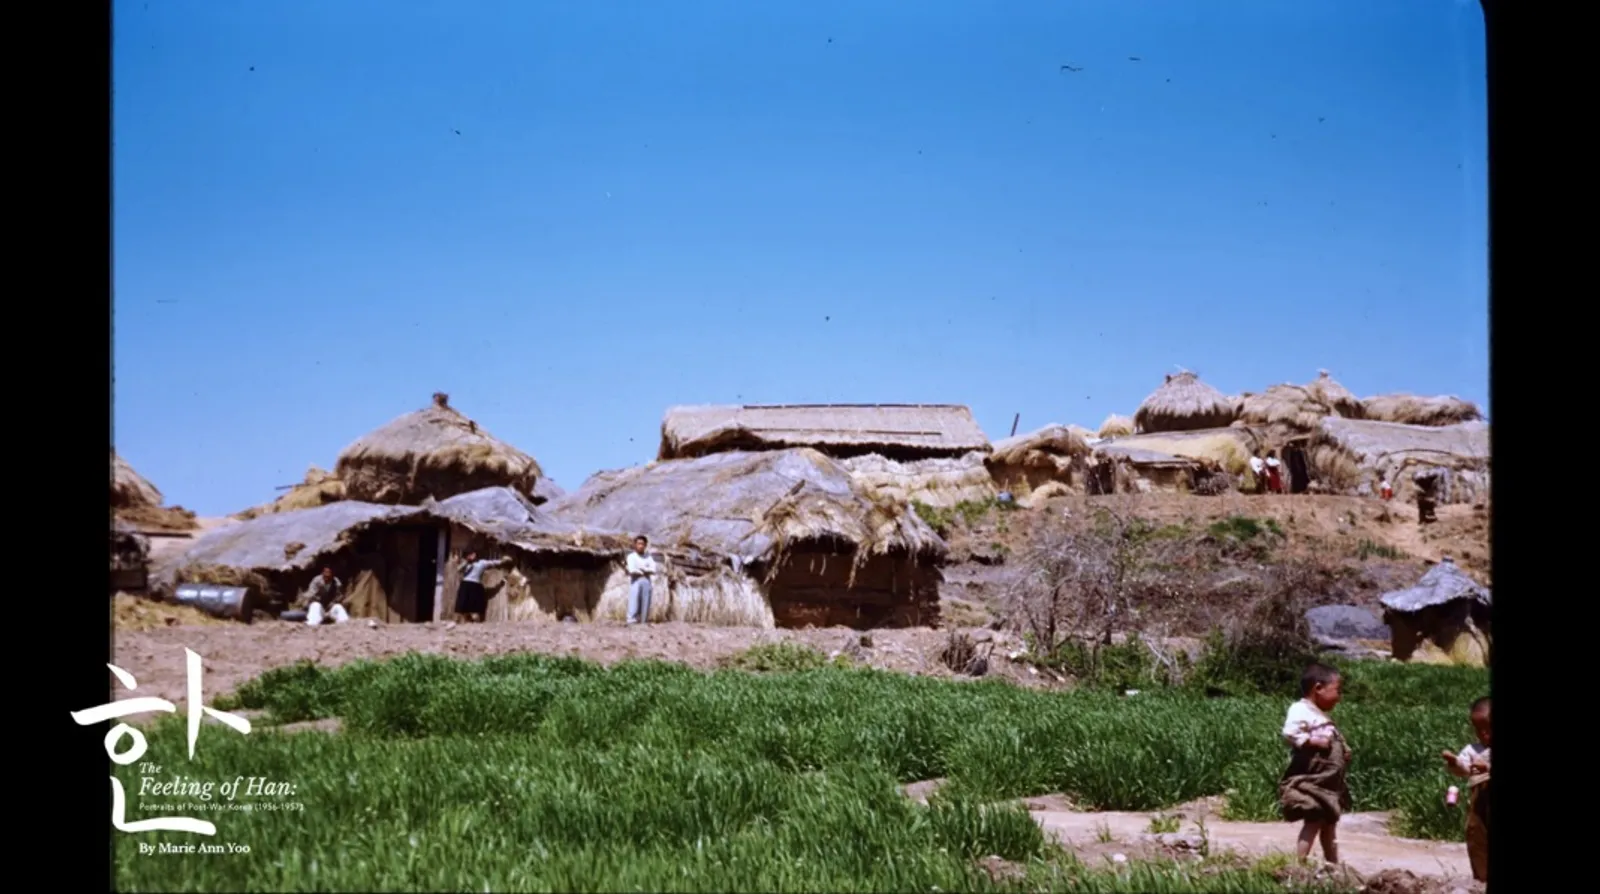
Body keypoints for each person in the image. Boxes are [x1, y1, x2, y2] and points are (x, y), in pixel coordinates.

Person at [1280, 662, 1352, 865]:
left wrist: (1344, 750)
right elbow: (1289, 732)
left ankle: (1333, 863)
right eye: (1337, 690)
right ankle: (1299, 863)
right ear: (1318, 688)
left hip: (1329, 783)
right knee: (1313, 818)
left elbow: (1333, 739)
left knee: (1329, 822)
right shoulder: (1300, 709)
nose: (1339, 696)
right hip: (1314, 779)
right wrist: (1311, 741)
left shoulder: (1320, 716)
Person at [1442, 696, 1490, 882]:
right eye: (1479, 730)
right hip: (1479, 799)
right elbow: (1463, 768)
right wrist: (1455, 762)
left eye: (1488, 728)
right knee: (1476, 835)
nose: (1484, 734)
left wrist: (1488, 768)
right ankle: (1481, 878)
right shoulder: (1473, 749)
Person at [456, 550, 509, 623]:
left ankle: (475, 621)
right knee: (464, 604)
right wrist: (467, 561)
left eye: (473, 554)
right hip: (465, 584)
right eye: (471, 555)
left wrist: (503, 561)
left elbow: (493, 562)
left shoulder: (482, 563)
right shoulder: (465, 563)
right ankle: (465, 621)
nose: (472, 556)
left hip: (475, 584)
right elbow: (458, 569)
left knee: (474, 604)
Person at [626, 536, 658, 625]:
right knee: (634, 600)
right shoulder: (631, 557)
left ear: (645, 545)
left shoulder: (648, 557)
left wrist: (642, 569)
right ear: (635, 545)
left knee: (646, 601)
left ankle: (643, 621)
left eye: (642, 544)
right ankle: (631, 621)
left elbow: (653, 569)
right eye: (639, 544)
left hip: (646, 580)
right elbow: (632, 570)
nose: (640, 546)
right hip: (636, 580)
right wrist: (644, 570)